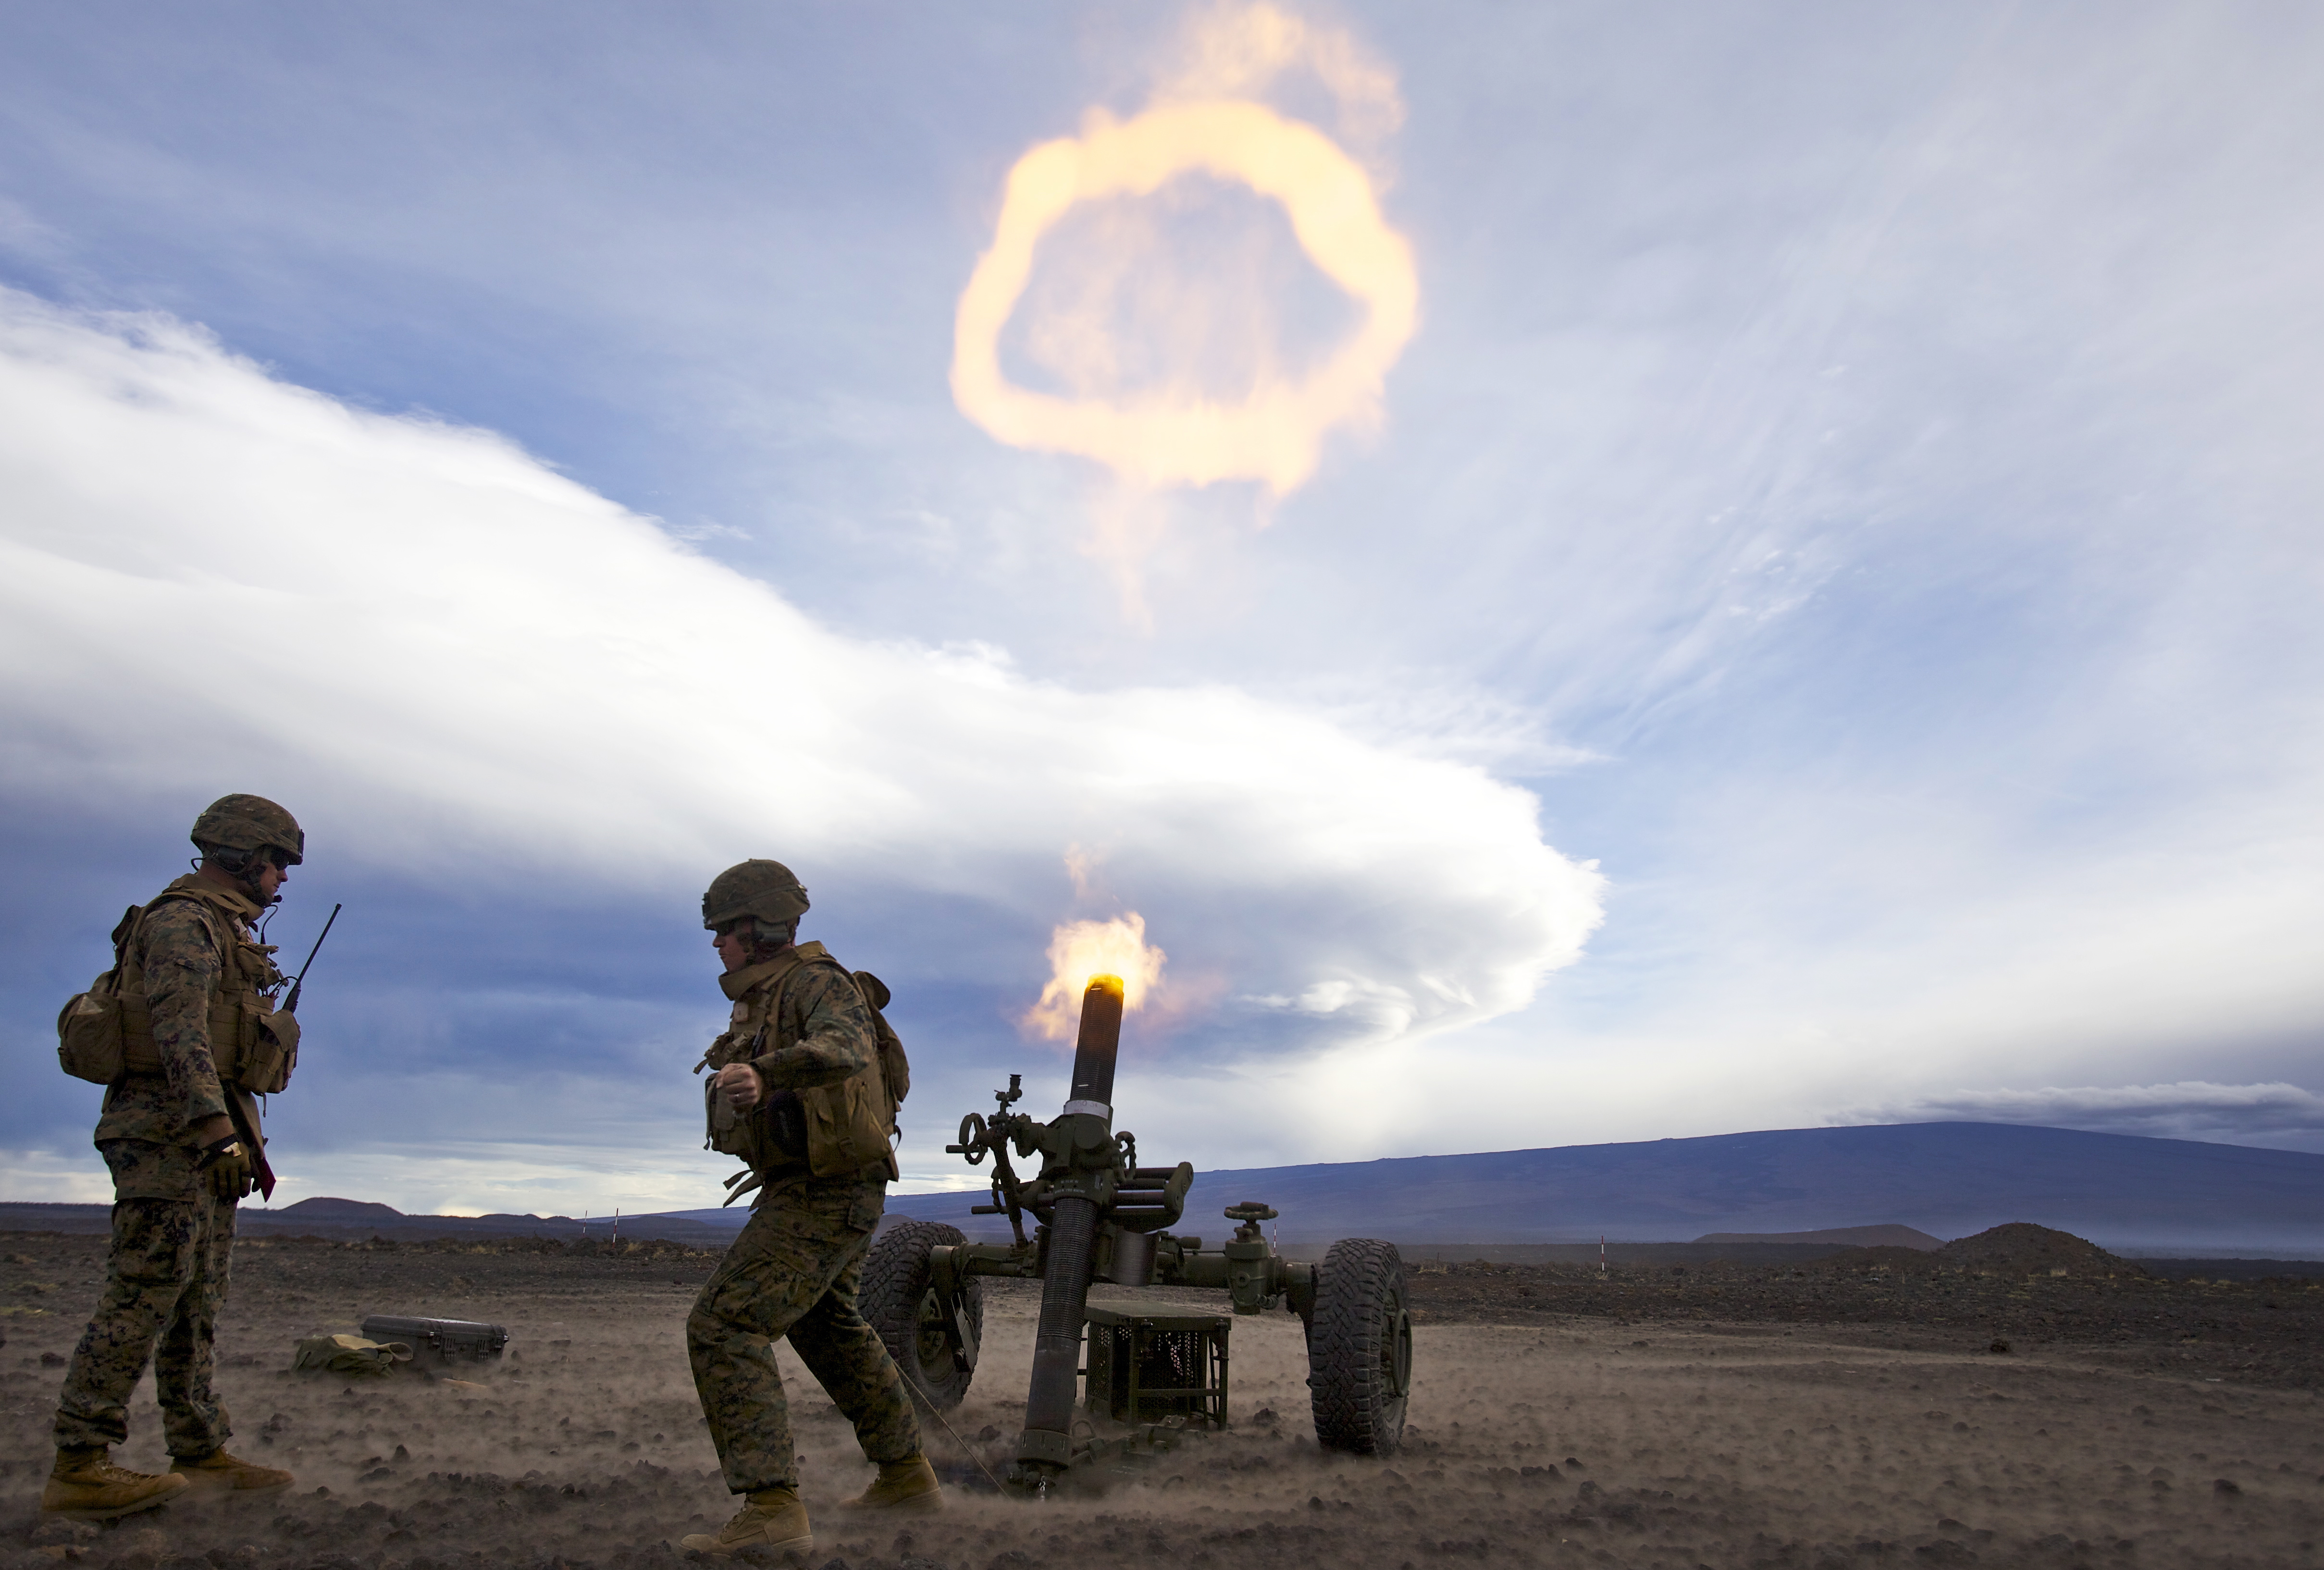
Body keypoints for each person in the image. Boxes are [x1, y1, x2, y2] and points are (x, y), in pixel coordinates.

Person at [43, 795, 306, 1521]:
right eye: (277, 862)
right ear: (244, 856)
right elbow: (180, 1035)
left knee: (196, 1299)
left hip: (204, 1136)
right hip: (166, 1137)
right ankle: (80, 1464)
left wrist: (233, 1138)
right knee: (143, 1294)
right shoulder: (182, 923)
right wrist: (214, 1132)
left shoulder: (222, 929)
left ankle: (199, 1449)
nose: (283, 878)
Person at [680, 858, 937, 1558]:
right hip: (822, 1188)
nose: (716, 945)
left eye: (724, 931)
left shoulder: (818, 983)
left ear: (759, 929)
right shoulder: (766, 996)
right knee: (827, 1327)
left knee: (726, 1323)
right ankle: (907, 1474)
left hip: (830, 1192)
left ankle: (771, 1507)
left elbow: (845, 1050)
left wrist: (765, 1073)